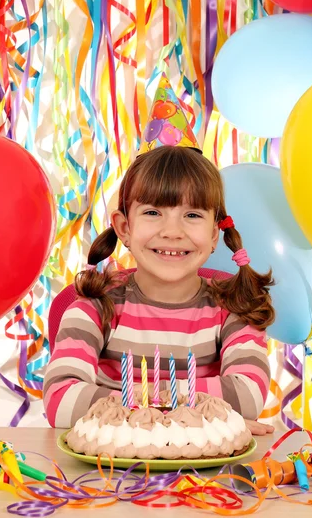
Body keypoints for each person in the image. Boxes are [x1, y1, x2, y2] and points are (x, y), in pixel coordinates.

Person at [43, 145, 275, 435]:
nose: (172, 231)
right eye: (153, 212)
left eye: (192, 215)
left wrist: (125, 402)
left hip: (205, 474)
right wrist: (196, 411)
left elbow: (247, 396)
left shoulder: (234, 307)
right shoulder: (94, 306)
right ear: (124, 228)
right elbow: (60, 400)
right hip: (109, 472)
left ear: (214, 234)